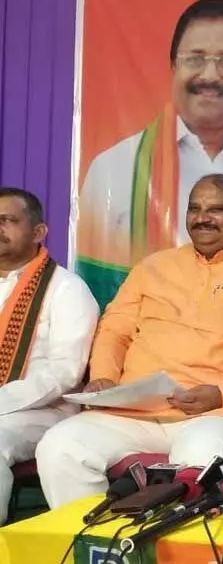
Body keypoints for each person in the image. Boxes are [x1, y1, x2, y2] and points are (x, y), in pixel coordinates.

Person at [37, 174, 223, 507]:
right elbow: (115, 329)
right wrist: (105, 378)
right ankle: (95, 549)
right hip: (137, 410)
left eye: (217, 210)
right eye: (194, 209)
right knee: (60, 445)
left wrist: (222, 395)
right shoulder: (154, 267)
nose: (202, 218)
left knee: (199, 455)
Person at [77, 0, 223, 310]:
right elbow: (100, 288)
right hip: (151, 336)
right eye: (195, 59)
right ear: (173, 65)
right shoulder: (112, 169)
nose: (210, 75)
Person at [0, 189, 99, 524]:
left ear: (39, 232)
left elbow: (64, 373)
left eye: (8, 220)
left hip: (41, 410)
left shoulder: (67, 289)